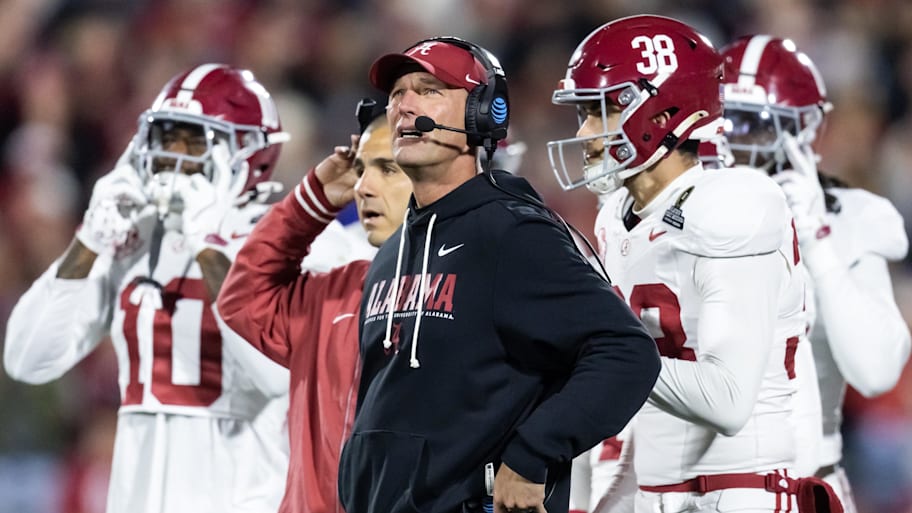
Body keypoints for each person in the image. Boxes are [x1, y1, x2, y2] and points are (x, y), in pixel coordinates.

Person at [336, 36, 661, 513]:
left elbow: (627, 353)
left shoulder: (513, 233)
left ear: (484, 113)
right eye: (396, 94)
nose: (404, 105)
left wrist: (533, 455)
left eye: (428, 89)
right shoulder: (392, 251)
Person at [549, 15, 836, 513]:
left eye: (602, 112)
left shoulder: (732, 204)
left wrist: (598, 355)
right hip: (656, 497)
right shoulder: (617, 218)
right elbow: (639, 415)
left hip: (744, 493)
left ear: (661, 116)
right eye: (582, 115)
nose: (587, 134)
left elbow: (725, 400)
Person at [4, 63, 290, 513]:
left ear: (248, 151)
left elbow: (278, 374)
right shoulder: (135, 239)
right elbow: (28, 358)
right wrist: (89, 242)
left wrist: (206, 245)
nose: (174, 157)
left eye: (195, 142)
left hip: (244, 495)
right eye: (167, 139)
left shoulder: (291, 239)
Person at [721, 35, 911, 512]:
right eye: (727, 123)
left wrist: (817, 242)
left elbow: (876, 372)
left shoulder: (847, 220)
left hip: (805, 487)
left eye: (758, 126)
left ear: (804, 130)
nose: (737, 145)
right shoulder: (669, 216)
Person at [217, 112, 413, 513]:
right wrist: (313, 199)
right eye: (361, 170)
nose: (363, 187)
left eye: (388, 169)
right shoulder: (332, 292)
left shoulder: (469, 291)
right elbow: (242, 297)